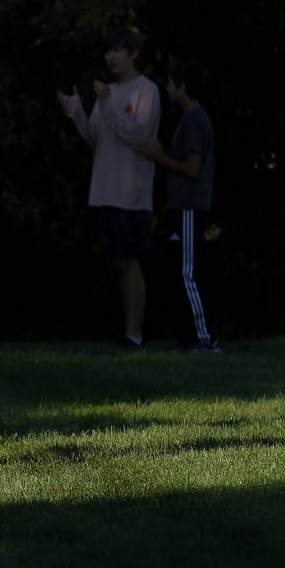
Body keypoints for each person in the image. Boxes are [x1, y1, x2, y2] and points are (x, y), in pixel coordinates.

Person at [57, 28, 161, 348]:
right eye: (108, 51)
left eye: (118, 51)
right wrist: (75, 110)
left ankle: (135, 334)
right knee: (118, 264)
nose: (111, 57)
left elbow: (139, 136)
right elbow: (95, 139)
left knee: (129, 261)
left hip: (132, 194)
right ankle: (127, 332)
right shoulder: (107, 93)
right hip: (103, 191)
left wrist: (107, 103)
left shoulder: (148, 91)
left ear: (133, 54)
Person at [134, 58, 221, 352]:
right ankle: (186, 338)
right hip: (179, 206)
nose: (168, 89)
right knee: (177, 272)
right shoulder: (188, 119)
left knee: (187, 272)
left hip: (189, 207)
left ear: (182, 88)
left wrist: (161, 159)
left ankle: (204, 337)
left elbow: (192, 168)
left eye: (171, 84)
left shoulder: (195, 120)